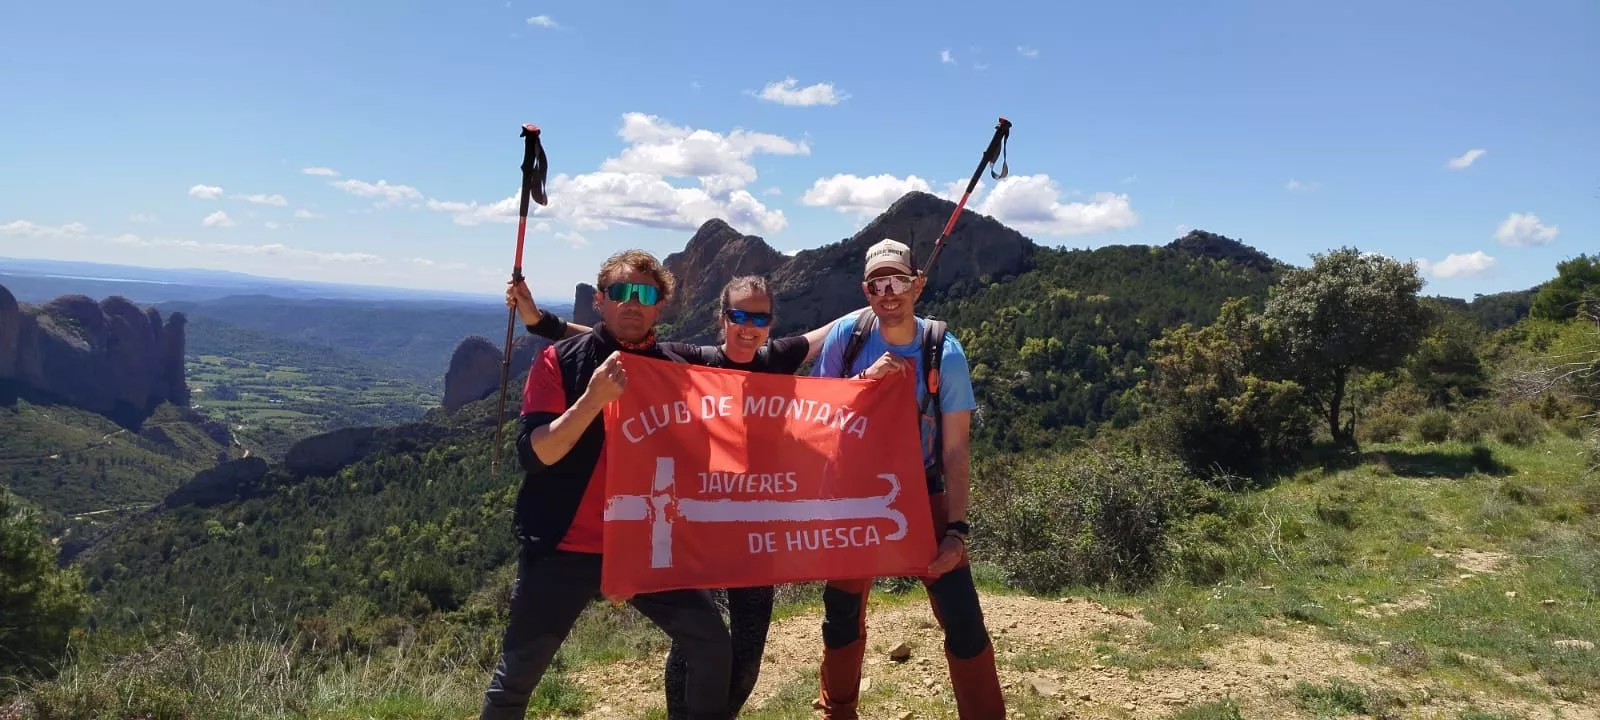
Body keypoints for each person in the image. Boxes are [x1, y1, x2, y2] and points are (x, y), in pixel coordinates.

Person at [508, 273, 880, 720]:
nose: (749, 326)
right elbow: (616, 343)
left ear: (770, 323)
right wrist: (540, 322)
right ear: (722, 318)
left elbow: (831, 334)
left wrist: (883, 300)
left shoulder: (778, 358)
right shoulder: (694, 359)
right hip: (699, 524)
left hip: (757, 530)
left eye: (759, 318)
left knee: (746, 653)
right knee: (695, 645)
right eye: (739, 315)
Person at [479, 249, 732, 720]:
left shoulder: (676, 370)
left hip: (645, 544)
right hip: (564, 547)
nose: (632, 302)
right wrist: (592, 400)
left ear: (661, 306)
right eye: (620, 291)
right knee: (514, 683)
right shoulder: (559, 361)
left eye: (645, 294)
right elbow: (535, 454)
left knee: (713, 647)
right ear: (600, 300)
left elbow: (750, 366)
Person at [806, 238, 1006, 719]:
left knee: (962, 617)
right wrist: (865, 383)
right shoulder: (849, 338)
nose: (889, 292)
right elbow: (814, 415)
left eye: (898, 281)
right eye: (878, 284)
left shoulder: (944, 351)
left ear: (918, 285)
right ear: (866, 291)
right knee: (841, 615)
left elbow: (956, 449)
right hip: (855, 493)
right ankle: (838, 711)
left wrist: (956, 530)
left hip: (924, 490)